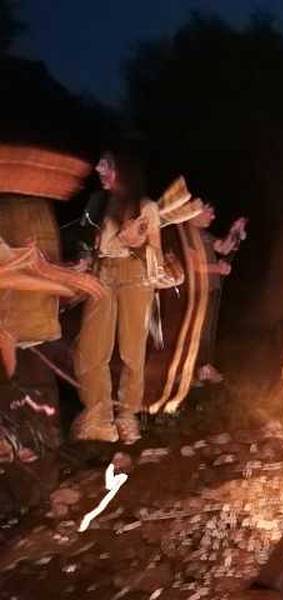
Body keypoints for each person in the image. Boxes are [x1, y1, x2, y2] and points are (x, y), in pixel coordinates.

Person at [72, 150, 163, 444]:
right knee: (91, 347)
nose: (98, 168)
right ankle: (99, 417)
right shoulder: (98, 202)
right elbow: (86, 238)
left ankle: (127, 415)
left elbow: (157, 253)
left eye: (107, 164)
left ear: (124, 170)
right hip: (101, 272)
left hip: (134, 275)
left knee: (131, 351)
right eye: (100, 162)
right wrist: (84, 259)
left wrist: (136, 243)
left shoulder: (146, 207)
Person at [188, 202, 246, 385]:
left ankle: (202, 368)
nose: (213, 217)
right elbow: (192, 266)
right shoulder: (186, 233)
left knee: (207, 330)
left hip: (210, 289)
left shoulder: (203, 234)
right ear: (196, 211)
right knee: (198, 331)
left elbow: (223, 248)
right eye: (209, 212)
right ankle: (196, 371)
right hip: (196, 291)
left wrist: (235, 232)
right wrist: (217, 268)